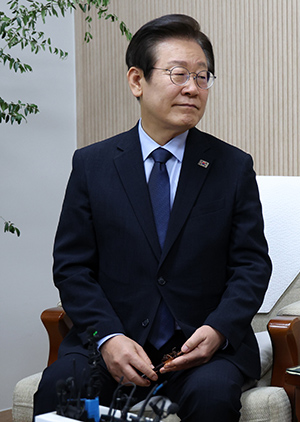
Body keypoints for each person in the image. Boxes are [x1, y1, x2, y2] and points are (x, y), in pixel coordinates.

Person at [33, 14, 272, 422]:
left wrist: (217, 330)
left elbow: (251, 265)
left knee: (212, 397)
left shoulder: (232, 166)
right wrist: (108, 337)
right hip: (112, 345)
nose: (193, 88)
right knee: (60, 389)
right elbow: (72, 267)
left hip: (199, 352)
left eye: (202, 76)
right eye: (179, 74)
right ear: (136, 81)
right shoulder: (93, 165)